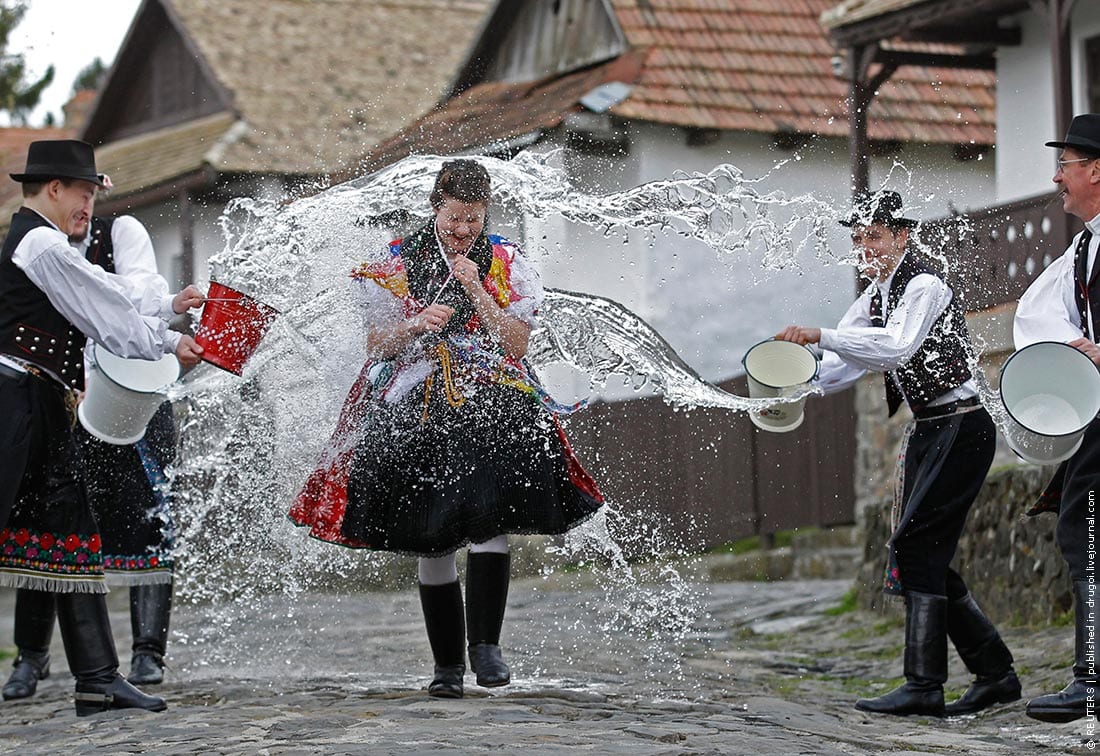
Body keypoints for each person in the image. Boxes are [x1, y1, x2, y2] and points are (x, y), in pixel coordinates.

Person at [290, 159, 603, 698]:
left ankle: (487, 648)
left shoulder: (505, 260)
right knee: (431, 534)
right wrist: (413, 323)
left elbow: (517, 346)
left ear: (486, 215)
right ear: (436, 206)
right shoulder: (394, 260)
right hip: (415, 398)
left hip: (490, 394)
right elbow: (377, 344)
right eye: (454, 217)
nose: (462, 230)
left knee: (489, 513)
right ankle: (447, 666)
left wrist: (478, 291)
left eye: (474, 220)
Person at [774, 190, 1019, 717]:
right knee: (920, 553)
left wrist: (823, 333)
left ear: (902, 235)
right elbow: (846, 364)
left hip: (962, 427)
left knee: (915, 550)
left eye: (876, 236)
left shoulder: (924, 283)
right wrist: (794, 382)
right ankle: (995, 674)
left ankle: (926, 685)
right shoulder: (874, 295)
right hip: (932, 430)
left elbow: (898, 347)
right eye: (858, 238)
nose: (866, 247)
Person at [0, 139, 204, 716]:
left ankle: (96, 677)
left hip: (41, 402)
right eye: (84, 192)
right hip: (16, 403)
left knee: (69, 535)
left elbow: (108, 295)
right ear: (55, 188)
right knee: (62, 529)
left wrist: (165, 315)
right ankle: (90, 674)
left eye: (94, 194)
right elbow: (100, 309)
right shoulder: (40, 242)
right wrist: (166, 340)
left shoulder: (44, 242)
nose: (89, 204)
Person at [1013, 113, 1100, 723]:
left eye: (1065, 165)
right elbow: (1036, 314)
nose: (1056, 177)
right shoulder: (1083, 247)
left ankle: (1092, 680)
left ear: (1096, 170)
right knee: (1083, 535)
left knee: (1085, 535)